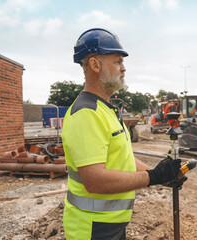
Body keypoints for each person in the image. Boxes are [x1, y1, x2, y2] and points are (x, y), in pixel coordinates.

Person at [61, 28, 182, 240]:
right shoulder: (86, 114)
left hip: (108, 225)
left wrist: (164, 176)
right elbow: (95, 180)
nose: (124, 68)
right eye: (117, 61)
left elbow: (123, 159)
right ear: (95, 65)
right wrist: (153, 177)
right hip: (91, 229)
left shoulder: (106, 109)